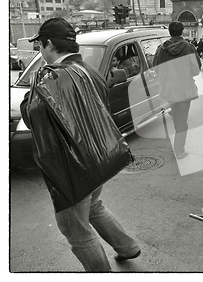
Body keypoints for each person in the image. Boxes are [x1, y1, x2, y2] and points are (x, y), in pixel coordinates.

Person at [20, 18, 140, 272]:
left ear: (49, 44)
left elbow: (33, 118)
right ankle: (128, 248)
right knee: (94, 207)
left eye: (40, 46)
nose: (40, 52)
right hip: (101, 159)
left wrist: (31, 91)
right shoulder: (89, 70)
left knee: (75, 229)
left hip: (73, 171)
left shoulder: (51, 79)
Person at [153, 21, 202, 159]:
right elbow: (196, 69)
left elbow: (155, 68)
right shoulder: (188, 48)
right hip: (184, 90)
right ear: (182, 31)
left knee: (177, 118)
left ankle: (178, 146)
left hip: (169, 90)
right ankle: (179, 150)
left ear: (169, 32)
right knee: (182, 121)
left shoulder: (161, 49)